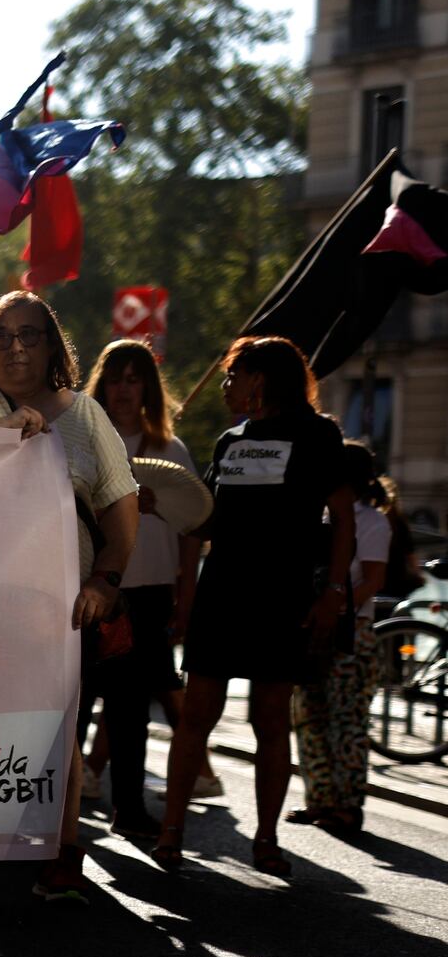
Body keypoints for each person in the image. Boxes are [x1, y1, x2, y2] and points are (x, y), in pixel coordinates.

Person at [0, 291, 139, 904]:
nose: (16, 347)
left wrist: (106, 580)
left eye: (30, 335)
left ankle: (62, 851)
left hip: (54, 604)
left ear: (52, 348)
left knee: (55, 726)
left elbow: (120, 508)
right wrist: (1, 433)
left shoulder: (85, 417)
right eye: (2, 336)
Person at [157, 337, 354, 879]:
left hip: (282, 596)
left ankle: (266, 841)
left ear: (260, 379)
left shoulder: (318, 435)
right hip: (223, 594)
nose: (225, 387)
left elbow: (343, 519)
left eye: (231, 376)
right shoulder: (228, 442)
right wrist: (167, 506)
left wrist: (332, 593)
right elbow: (209, 524)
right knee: (195, 715)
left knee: (270, 718)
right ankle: (170, 832)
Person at [79, 339, 206, 844]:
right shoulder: (83, 443)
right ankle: (52, 816)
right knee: (76, 706)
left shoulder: (171, 452)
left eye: (135, 379)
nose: (125, 389)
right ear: (102, 385)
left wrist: (186, 596)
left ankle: (129, 808)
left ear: (148, 388)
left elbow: (194, 526)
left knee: (131, 714)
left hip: (148, 595)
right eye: (116, 378)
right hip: (90, 592)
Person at [288, 440, 390, 835]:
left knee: (346, 721)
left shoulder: (372, 521)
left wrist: (339, 607)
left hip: (352, 632)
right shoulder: (320, 517)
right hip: (314, 630)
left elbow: (375, 578)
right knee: (309, 716)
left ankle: (346, 805)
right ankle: (319, 800)